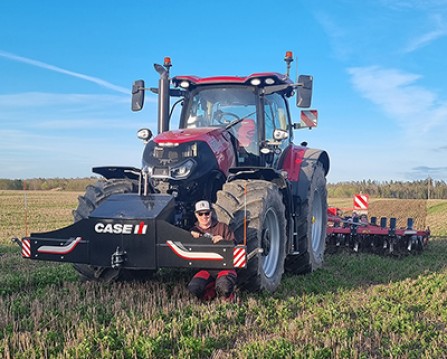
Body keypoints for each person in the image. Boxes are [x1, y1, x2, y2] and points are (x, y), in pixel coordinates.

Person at [187, 200, 237, 301]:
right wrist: (191, 238)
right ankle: (212, 291)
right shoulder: (193, 231)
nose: (204, 216)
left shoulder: (223, 227)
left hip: (224, 268)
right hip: (205, 269)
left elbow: (234, 246)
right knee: (194, 288)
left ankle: (226, 296)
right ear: (196, 215)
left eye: (207, 213)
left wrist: (223, 241)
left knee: (224, 287)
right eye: (200, 214)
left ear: (211, 213)